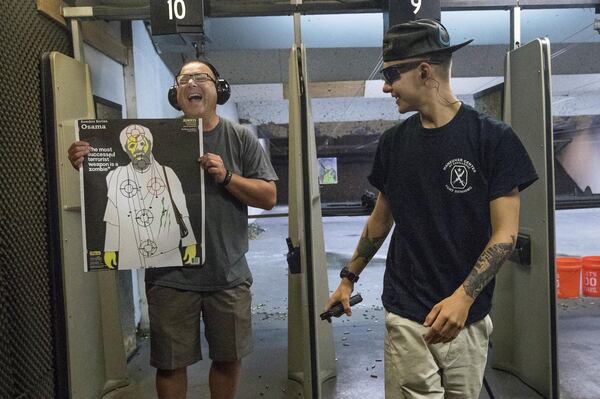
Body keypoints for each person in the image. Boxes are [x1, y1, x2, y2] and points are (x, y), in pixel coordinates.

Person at [325, 19, 538, 398]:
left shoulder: (492, 139)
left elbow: (505, 233)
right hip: (407, 314)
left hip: (466, 320)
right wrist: (347, 278)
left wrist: (463, 298)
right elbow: (380, 220)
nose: (386, 86)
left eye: (392, 73)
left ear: (424, 71)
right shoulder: (393, 143)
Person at [68, 60, 278, 399]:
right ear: (176, 94)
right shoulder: (158, 140)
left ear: (217, 89)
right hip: (169, 276)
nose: (192, 83)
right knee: (169, 364)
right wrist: (86, 161)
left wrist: (227, 177)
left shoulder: (240, 138)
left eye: (201, 77)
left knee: (228, 358)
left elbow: (269, 197)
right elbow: (110, 191)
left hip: (228, 273)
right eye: (184, 79)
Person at [103, 123, 197, 269]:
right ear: (126, 150)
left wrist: (189, 241)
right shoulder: (117, 176)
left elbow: (182, 212)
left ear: (149, 145)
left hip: (167, 251)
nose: (138, 148)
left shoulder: (168, 173)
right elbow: (112, 216)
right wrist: (110, 248)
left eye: (142, 143)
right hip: (131, 250)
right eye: (133, 145)